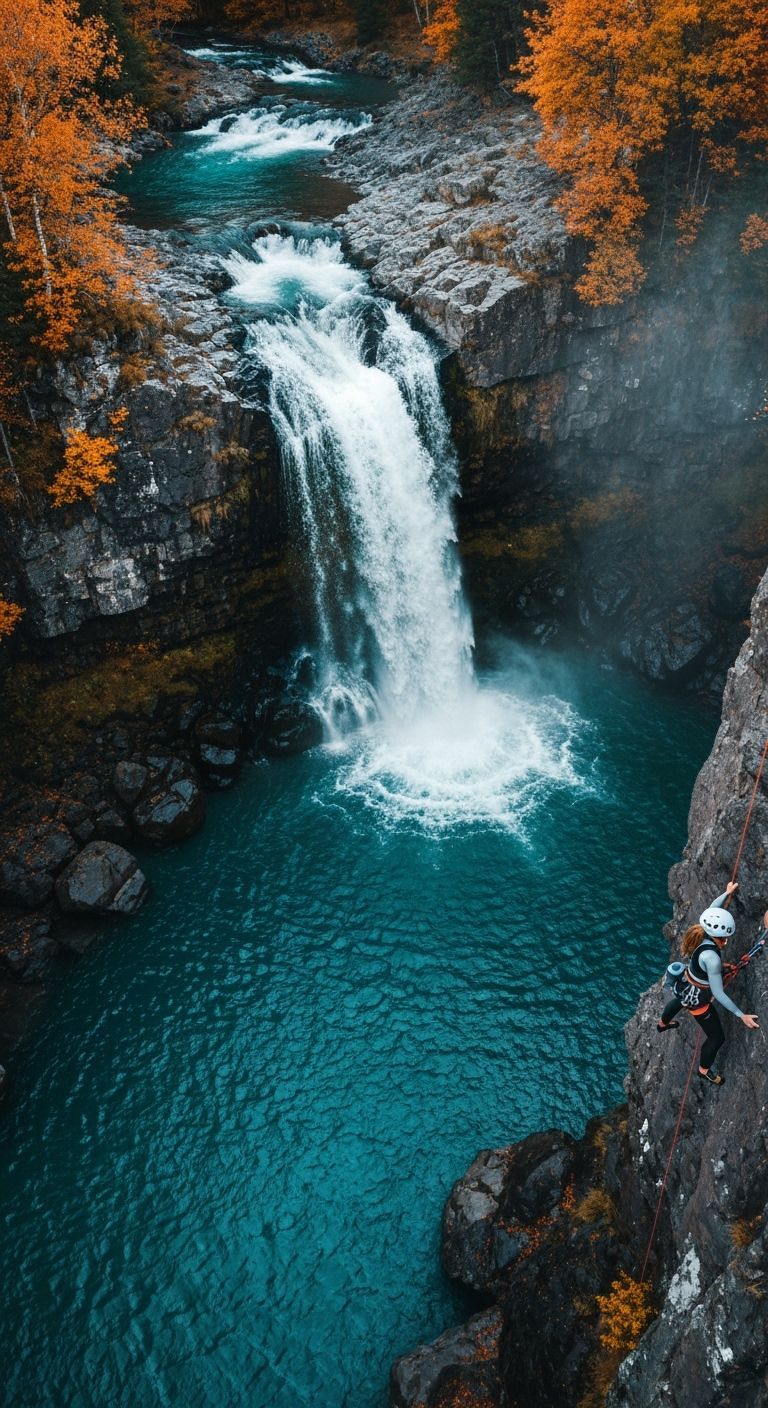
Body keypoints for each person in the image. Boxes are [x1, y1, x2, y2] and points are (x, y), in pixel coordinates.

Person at [657, 881, 762, 1086]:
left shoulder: (703, 930)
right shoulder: (712, 959)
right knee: (716, 1037)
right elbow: (718, 993)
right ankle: (704, 1071)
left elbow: (713, 908)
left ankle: (662, 1025)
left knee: (680, 1000)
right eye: (726, 937)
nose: (728, 941)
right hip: (699, 999)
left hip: (688, 978)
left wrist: (727, 892)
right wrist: (742, 1015)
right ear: (720, 937)